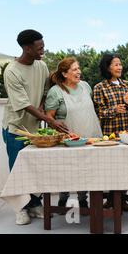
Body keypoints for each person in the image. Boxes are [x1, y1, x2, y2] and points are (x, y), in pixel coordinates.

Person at [1, 29, 69, 225]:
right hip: (16, 128)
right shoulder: (12, 71)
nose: (43, 50)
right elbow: (23, 104)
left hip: (35, 129)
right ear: (27, 48)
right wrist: (50, 121)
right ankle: (20, 210)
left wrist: (42, 106)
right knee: (18, 171)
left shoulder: (41, 66)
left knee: (34, 169)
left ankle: (34, 203)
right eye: (39, 48)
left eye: (43, 46)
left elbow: (46, 91)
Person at [45, 57, 103, 209]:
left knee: (86, 169)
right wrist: (58, 128)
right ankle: (63, 198)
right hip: (68, 139)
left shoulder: (85, 86)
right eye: (75, 69)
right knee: (66, 170)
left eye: (79, 68)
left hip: (90, 135)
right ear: (64, 74)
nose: (79, 72)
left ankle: (83, 199)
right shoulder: (55, 91)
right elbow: (49, 117)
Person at [93, 53, 128, 212]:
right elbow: (98, 112)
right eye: (116, 64)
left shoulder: (126, 84)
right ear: (107, 67)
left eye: (120, 64)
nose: (120, 67)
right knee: (110, 166)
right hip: (110, 133)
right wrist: (114, 109)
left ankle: (121, 198)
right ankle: (111, 198)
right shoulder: (99, 87)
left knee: (125, 165)